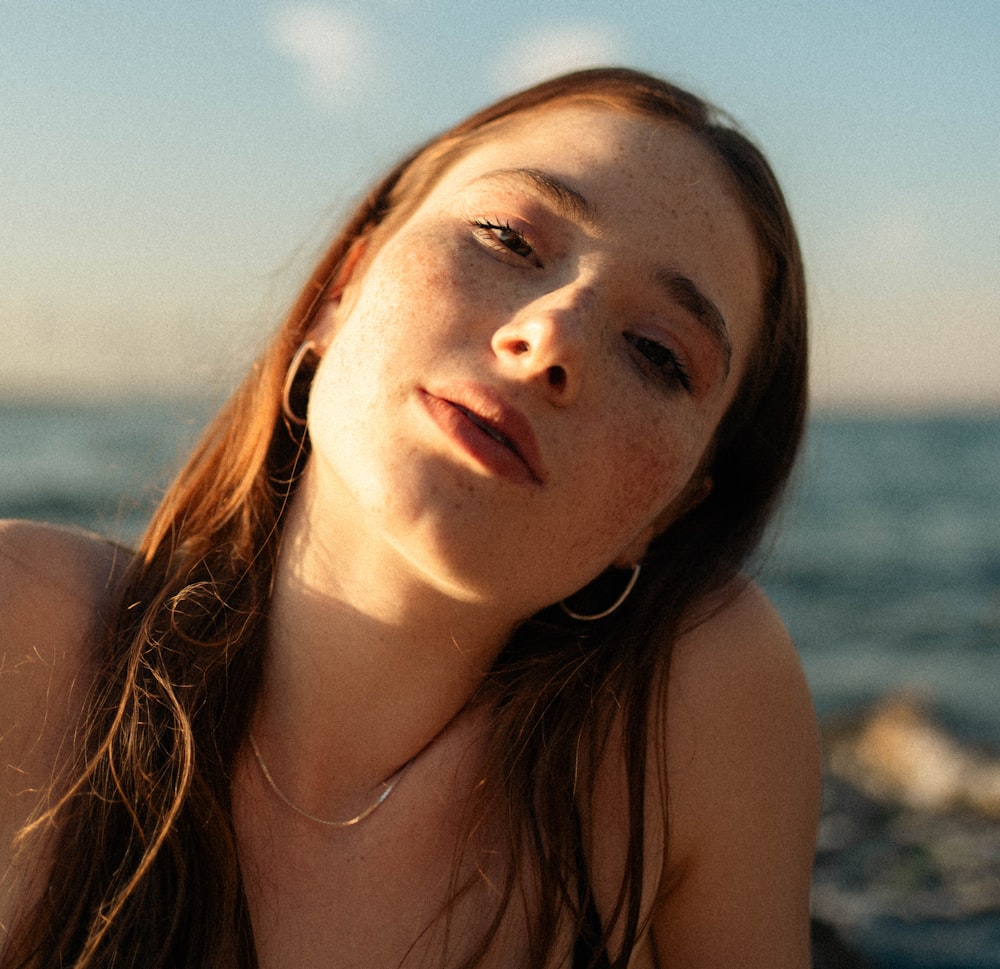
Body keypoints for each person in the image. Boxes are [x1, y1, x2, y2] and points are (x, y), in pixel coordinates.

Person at [0, 67, 820, 968]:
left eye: (659, 353)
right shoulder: (27, 631)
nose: (553, 335)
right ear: (338, 292)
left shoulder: (687, 717)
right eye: (508, 238)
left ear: (663, 519)